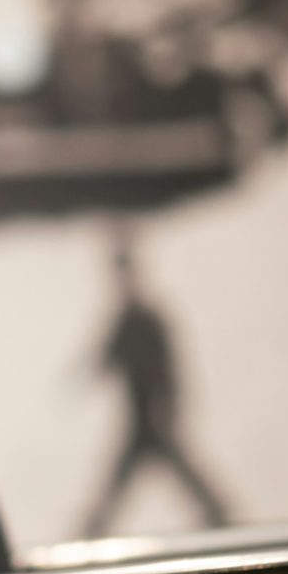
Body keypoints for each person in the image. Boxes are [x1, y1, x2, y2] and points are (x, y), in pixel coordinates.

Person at [81, 221, 232, 536]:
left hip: (154, 415)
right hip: (139, 418)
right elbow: (104, 358)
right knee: (125, 480)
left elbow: (169, 364)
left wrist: (173, 401)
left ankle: (221, 518)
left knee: (159, 472)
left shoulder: (149, 319)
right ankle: (92, 533)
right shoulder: (125, 320)